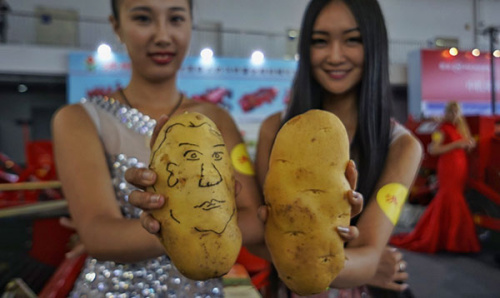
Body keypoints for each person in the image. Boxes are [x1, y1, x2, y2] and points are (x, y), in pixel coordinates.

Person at [52, 0, 362, 296]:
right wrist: (178, 227)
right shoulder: (78, 120)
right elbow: (96, 235)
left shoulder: (217, 120)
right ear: (116, 26)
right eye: (143, 18)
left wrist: (320, 213)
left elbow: (255, 218)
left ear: (190, 25)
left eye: (175, 18)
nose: (162, 35)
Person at [254, 0, 422, 296]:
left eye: (352, 40)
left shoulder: (402, 146)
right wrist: (355, 263)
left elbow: (370, 255)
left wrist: (352, 263)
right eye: (320, 41)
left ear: (374, 45)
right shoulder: (275, 129)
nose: (334, 56)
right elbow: (257, 233)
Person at [390, 101, 480, 253]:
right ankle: (444, 239)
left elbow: (468, 143)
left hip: (460, 166)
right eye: (452, 111)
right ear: (447, 112)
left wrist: (468, 143)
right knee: (449, 198)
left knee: (454, 198)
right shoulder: (442, 128)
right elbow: (434, 149)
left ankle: (450, 239)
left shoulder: (460, 128)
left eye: (457, 111)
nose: (454, 115)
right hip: (448, 166)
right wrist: (457, 145)